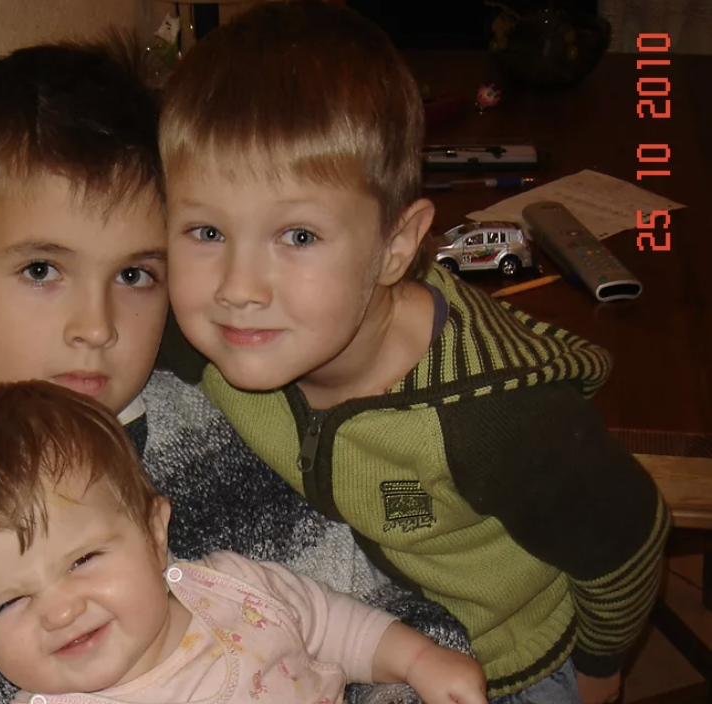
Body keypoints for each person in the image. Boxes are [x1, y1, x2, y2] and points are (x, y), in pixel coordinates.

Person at [0, 31, 470, 704]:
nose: (96, 326)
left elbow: (380, 613)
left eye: (135, 274)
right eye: (41, 270)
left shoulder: (213, 423)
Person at [157, 3, 670, 704]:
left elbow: (628, 539)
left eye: (299, 237)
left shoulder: (494, 421)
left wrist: (601, 672)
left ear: (397, 245)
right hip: (372, 634)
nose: (238, 289)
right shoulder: (218, 335)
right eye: (206, 231)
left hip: (510, 663)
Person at [0, 380, 488, 704]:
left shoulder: (236, 589)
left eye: (82, 560)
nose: (60, 610)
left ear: (155, 534)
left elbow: (332, 625)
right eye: (8, 602)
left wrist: (417, 660)